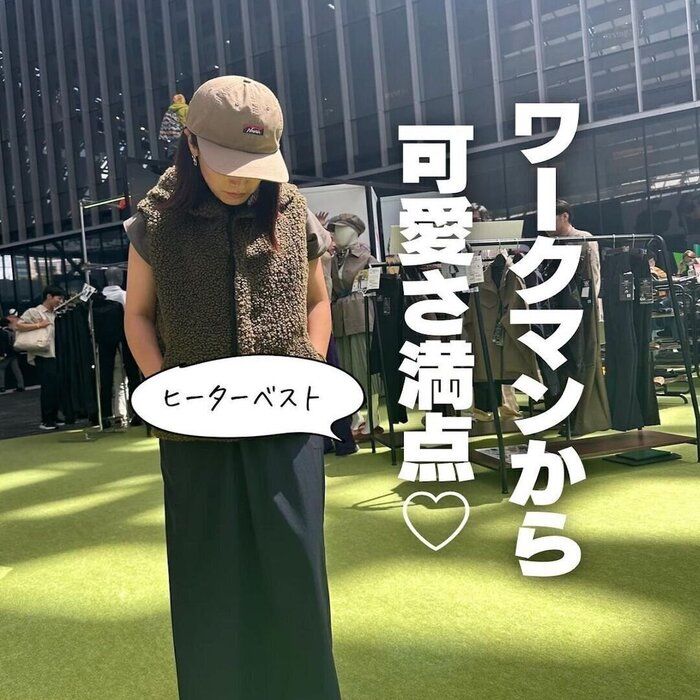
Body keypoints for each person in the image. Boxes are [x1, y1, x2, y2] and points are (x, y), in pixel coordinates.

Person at [124, 75, 340, 699]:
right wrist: (166, 391)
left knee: (297, 574)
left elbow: (317, 301)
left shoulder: (291, 209)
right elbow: (137, 315)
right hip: (195, 427)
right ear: (191, 144)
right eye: (227, 163)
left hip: (286, 420)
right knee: (208, 578)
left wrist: (309, 362)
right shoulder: (156, 220)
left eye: (255, 164)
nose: (242, 180)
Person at [15, 285, 66, 430]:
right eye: (59, 298)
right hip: (42, 354)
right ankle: (46, 420)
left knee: (55, 387)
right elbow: (19, 326)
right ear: (49, 296)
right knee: (48, 387)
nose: (60, 301)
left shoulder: (56, 313)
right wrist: (39, 325)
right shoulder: (34, 311)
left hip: (54, 354)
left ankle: (54, 416)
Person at [0, 316, 25, 393]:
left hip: (6, 354)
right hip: (14, 353)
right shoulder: (12, 331)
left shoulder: (2, 332)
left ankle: (2, 387)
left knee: (1, 369)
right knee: (16, 370)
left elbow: (2, 344)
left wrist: (2, 354)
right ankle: (21, 386)